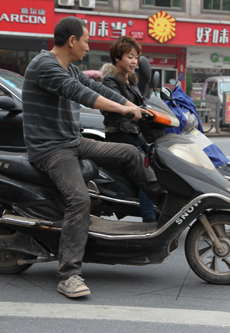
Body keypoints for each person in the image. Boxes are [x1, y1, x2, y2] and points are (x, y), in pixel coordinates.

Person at [22, 17, 164, 298]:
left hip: (71, 142)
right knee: (79, 199)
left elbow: (98, 87)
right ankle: (69, 274)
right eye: (86, 40)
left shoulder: (69, 68)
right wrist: (122, 110)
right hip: (51, 149)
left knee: (129, 153)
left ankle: (167, 207)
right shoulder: (44, 66)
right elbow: (82, 93)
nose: (88, 46)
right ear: (72, 40)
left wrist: (133, 105)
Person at [99, 36, 156, 222]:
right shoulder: (110, 81)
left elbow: (143, 104)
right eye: (130, 56)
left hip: (133, 134)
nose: (134, 61)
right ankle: (149, 219)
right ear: (117, 58)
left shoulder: (130, 81)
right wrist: (132, 111)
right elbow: (120, 104)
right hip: (120, 136)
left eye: (136, 57)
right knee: (149, 174)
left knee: (159, 161)